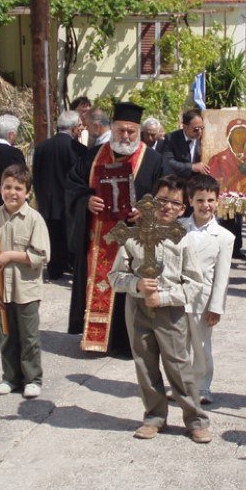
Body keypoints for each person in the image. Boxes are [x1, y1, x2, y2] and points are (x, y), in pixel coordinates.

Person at [108, 175, 212, 443]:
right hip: (138, 309)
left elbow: (195, 284)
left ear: (182, 209)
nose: (167, 207)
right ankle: (154, 416)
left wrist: (164, 298)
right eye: (161, 200)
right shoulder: (133, 237)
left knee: (179, 367)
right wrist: (137, 284)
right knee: (145, 364)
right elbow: (114, 276)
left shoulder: (185, 240)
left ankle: (195, 419)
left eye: (174, 203)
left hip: (170, 313)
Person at [64, 101, 164, 356]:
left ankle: (125, 342)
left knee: (129, 287)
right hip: (98, 238)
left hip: (134, 239)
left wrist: (147, 209)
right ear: (113, 128)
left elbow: (167, 194)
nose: (126, 136)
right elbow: (72, 185)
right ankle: (98, 339)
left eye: (131, 131)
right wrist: (86, 200)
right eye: (121, 130)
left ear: (138, 131)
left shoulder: (153, 160)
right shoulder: (92, 157)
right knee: (99, 284)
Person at [0, 164, 51, 399]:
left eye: (18, 188)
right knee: (6, 334)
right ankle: (10, 377)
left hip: (25, 289)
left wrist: (11, 256)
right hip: (1, 289)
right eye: (7, 187)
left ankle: (32, 378)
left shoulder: (34, 219)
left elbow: (41, 255)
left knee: (28, 336)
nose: (12, 192)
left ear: (27, 192)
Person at [180, 174, 234, 405]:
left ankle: (202, 386)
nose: (206, 205)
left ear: (217, 201)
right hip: (178, 296)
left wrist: (216, 306)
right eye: (200, 200)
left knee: (201, 346)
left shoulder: (224, 237)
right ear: (190, 200)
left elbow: (222, 276)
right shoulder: (178, 227)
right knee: (178, 345)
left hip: (203, 300)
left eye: (211, 200)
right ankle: (180, 384)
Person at [32, 110, 85, 280]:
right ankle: (70, 265)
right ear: (74, 129)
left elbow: (36, 174)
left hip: (47, 201)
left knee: (52, 237)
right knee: (70, 235)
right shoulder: (77, 149)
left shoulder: (41, 147)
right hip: (69, 201)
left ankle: (54, 269)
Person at [163, 109, 208, 178]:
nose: (200, 132)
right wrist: (191, 167)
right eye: (196, 129)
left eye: (202, 128)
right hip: (178, 182)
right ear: (185, 127)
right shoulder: (171, 138)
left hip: (198, 182)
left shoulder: (205, 139)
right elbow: (168, 162)